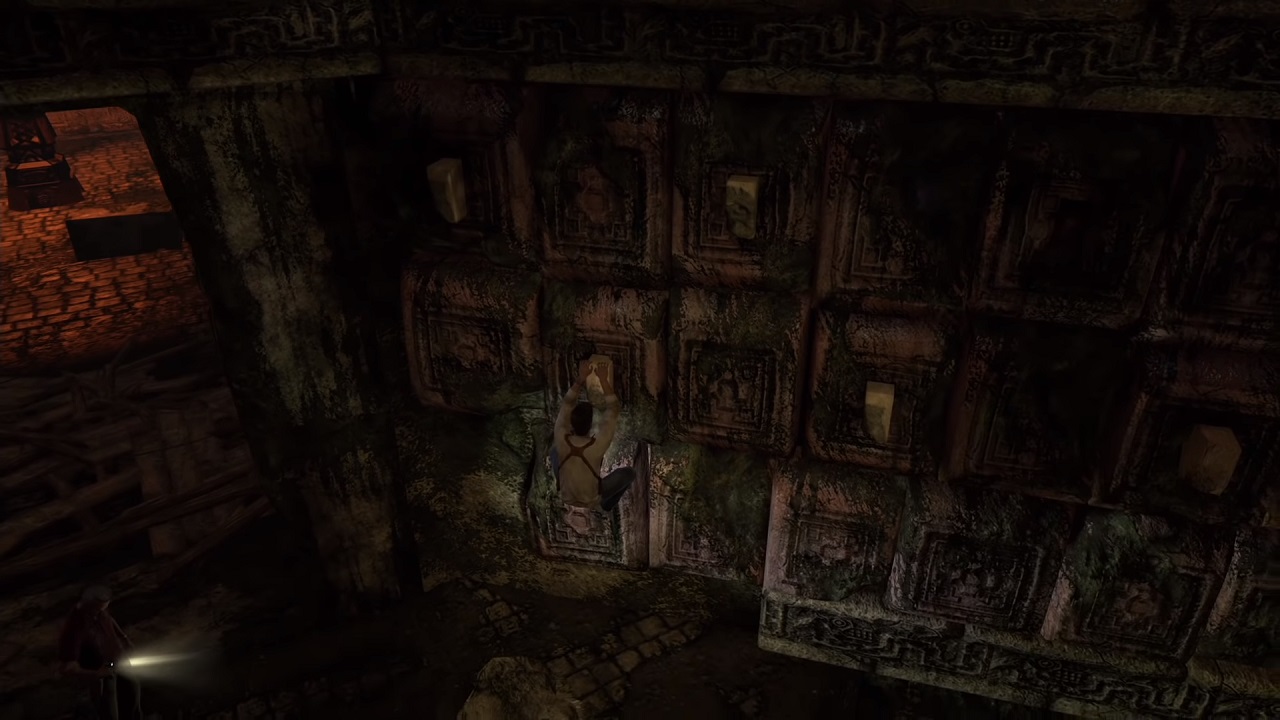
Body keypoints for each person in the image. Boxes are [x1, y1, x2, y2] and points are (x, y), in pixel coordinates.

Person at [552, 360, 635, 512]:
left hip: (566, 495)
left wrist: (581, 378)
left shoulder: (561, 436)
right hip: (591, 499)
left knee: (554, 451)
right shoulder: (597, 445)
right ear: (590, 425)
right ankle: (607, 504)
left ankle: (564, 481)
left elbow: (567, 403)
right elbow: (613, 409)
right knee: (629, 474)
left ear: (571, 424)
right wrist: (603, 379)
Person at [56, 585, 142, 720]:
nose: (101, 612)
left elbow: (109, 619)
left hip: (117, 663)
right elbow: (67, 668)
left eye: (104, 608)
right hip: (103, 670)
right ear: (88, 605)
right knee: (111, 713)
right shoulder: (74, 627)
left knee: (132, 701)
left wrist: (124, 638)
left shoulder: (100, 613)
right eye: (98, 609)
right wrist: (96, 674)